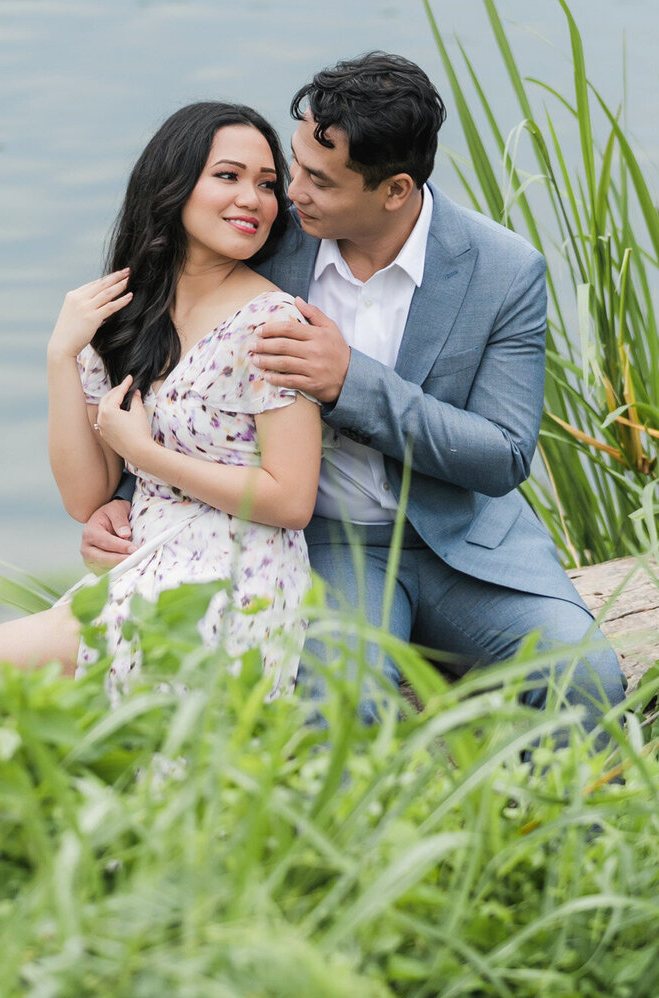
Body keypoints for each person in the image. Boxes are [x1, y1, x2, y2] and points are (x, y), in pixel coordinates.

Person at [82, 52, 626, 732]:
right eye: (295, 165)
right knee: (344, 703)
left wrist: (351, 383)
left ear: (394, 190)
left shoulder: (503, 270)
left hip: (467, 548)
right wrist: (125, 501)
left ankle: (543, 830)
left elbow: (504, 454)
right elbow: (183, 378)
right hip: (327, 547)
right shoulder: (266, 246)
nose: (289, 191)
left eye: (317, 180)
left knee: (589, 679)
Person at [0, 102, 322, 710]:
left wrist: (145, 454)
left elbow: (291, 499)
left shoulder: (270, 322)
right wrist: (62, 354)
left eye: (267, 184)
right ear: (173, 185)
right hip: (148, 560)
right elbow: (87, 498)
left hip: (238, 572)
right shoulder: (128, 317)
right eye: (229, 176)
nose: (255, 199)